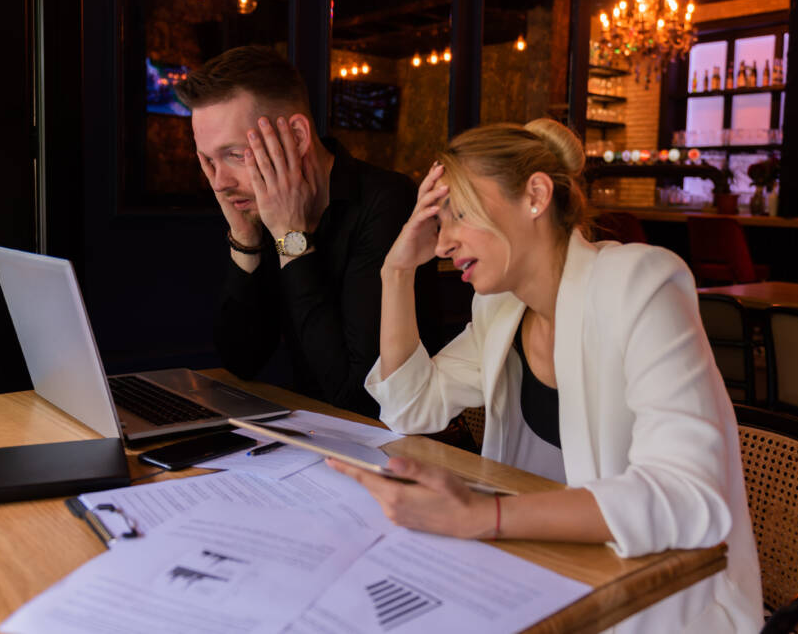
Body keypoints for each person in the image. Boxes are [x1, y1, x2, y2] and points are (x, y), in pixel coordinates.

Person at [327, 120, 763, 632]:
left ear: (535, 195)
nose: (442, 245)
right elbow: (409, 407)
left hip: (663, 598)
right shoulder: (501, 309)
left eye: (459, 215)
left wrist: (482, 517)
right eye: (439, 223)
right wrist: (395, 273)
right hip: (545, 570)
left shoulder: (638, 284)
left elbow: (688, 498)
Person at [176, 46, 435, 419]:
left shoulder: (387, 202)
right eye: (209, 161)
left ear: (296, 136)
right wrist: (245, 239)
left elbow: (356, 398)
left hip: (394, 448)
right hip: (308, 436)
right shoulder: (258, 205)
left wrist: (290, 236)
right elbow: (241, 360)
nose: (219, 183)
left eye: (234, 155)